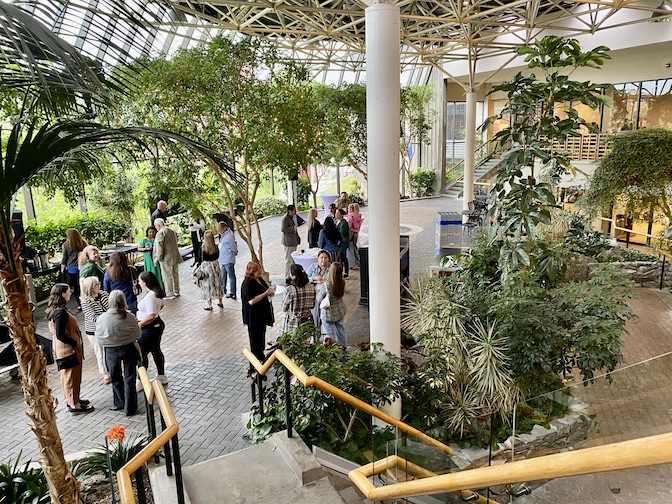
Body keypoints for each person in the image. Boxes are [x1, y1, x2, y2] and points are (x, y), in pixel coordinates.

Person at [46, 284, 93, 414]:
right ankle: (74, 404)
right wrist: (73, 343)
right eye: (68, 291)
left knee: (70, 376)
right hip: (68, 350)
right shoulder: (60, 312)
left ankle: (74, 399)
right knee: (71, 377)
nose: (70, 293)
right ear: (62, 294)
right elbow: (60, 334)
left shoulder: (55, 309)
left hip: (64, 349)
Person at [95, 290, 141, 416]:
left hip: (111, 350)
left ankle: (119, 403)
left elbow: (98, 338)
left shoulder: (102, 318)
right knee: (130, 377)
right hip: (129, 348)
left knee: (115, 377)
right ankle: (130, 407)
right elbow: (138, 334)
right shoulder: (130, 316)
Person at [240, 262, 275, 377]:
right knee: (255, 339)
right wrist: (265, 293)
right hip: (253, 316)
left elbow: (267, 290)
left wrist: (270, 291)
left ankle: (261, 357)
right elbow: (251, 301)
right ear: (251, 271)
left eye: (259, 269)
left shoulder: (259, 279)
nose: (259, 272)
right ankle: (255, 363)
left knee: (261, 336)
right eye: (256, 270)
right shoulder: (247, 283)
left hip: (262, 315)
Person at [136, 271, 167, 384]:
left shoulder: (150, 296)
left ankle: (141, 380)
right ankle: (161, 375)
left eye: (140, 281)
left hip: (150, 327)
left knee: (142, 352)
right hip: (156, 325)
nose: (139, 283)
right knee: (155, 349)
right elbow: (161, 306)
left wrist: (141, 323)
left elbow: (151, 315)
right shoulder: (156, 293)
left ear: (145, 282)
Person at [80, 276, 110, 385]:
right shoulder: (85, 301)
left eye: (98, 284)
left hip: (107, 327)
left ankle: (112, 369)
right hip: (94, 331)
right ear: (90, 288)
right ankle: (105, 373)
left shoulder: (105, 295)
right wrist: (108, 317)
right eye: (96, 285)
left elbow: (110, 308)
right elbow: (91, 317)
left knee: (109, 350)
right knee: (100, 352)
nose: (99, 286)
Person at [316, 262, 347, 346]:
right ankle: (343, 349)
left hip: (328, 313)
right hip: (340, 310)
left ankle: (332, 353)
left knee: (329, 334)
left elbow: (319, 298)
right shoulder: (342, 282)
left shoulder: (326, 285)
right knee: (340, 331)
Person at [281, 264, 315, 335]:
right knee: (306, 343)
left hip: (293, 323)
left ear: (293, 276)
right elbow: (313, 305)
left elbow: (284, 308)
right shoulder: (311, 288)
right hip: (307, 321)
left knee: (293, 343)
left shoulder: (289, 290)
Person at [153, 217, 183, 299]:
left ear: (158, 225)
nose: (156, 228)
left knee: (167, 276)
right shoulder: (172, 231)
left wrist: (158, 258)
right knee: (175, 274)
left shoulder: (160, 233)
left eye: (156, 226)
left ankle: (170, 293)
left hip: (166, 258)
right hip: (175, 256)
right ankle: (177, 290)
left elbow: (159, 247)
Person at [196, 230, 224, 310]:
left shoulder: (202, 248)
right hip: (215, 266)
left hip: (206, 268)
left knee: (207, 285)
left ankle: (210, 305)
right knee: (218, 284)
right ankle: (220, 301)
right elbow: (217, 256)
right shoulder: (216, 247)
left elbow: (199, 260)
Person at [61, 228, 87, 310]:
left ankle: (79, 303)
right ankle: (85, 301)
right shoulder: (83, 243)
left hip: (71, 269)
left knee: (75, 287)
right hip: (82, 267)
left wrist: (62, 269)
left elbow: (64, 258)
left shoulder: (66, 245)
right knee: (82, 286)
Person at [307, 250, 331, 328]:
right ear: (317, 259)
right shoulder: (313, 267)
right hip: (314, 290)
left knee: (318, 303)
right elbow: (306, 278)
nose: (323, 260)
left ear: (328, 259)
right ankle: (316, 326)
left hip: (326, 291)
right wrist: (313, 278)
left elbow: (335, 280)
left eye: (325, 258)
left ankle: (317, 326)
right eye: (321, 258)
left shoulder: (331, 268)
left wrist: (325, 280)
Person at [217, 221, 238, 300]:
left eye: (219, 229)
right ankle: (223, 289)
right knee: (223, 275)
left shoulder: (229, 236)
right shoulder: (223, 235)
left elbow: (233, 246)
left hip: (228, 259)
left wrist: (234, 252)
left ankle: (233, 292)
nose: (218, 231)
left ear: (224, 228)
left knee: (231, 276)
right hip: (222, 259)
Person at [281, 205, 299, 280]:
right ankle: (287, 276)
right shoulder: (285, 219)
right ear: (290, 211)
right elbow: (283, 229)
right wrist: (293, 229)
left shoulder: (292, 218)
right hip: (288, 242)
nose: (295, 212)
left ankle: (292, 275)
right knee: (288, 260)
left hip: (293, 241)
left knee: (292, 259)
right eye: (294, 210)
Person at [346, 203, 363, 269]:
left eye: (348, 208)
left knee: (350, 248)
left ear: (351, 209)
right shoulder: (358, 216)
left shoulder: (351, 216)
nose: (348, 209)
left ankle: (352, 264)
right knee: (355, 247)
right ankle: (358, 261)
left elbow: (349, 225)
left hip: (351, 232)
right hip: (356, 232)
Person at [335, 208, 350, 277]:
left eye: (338, 213)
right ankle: (339, 271)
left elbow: (342, 233)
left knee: (343, 257)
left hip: (343, 243)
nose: (336, 214)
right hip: (338, 243)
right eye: (336, 213)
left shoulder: (344, 222)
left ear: (341, 215)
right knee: (339, 257)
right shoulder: (336, 221)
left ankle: (346, 272)